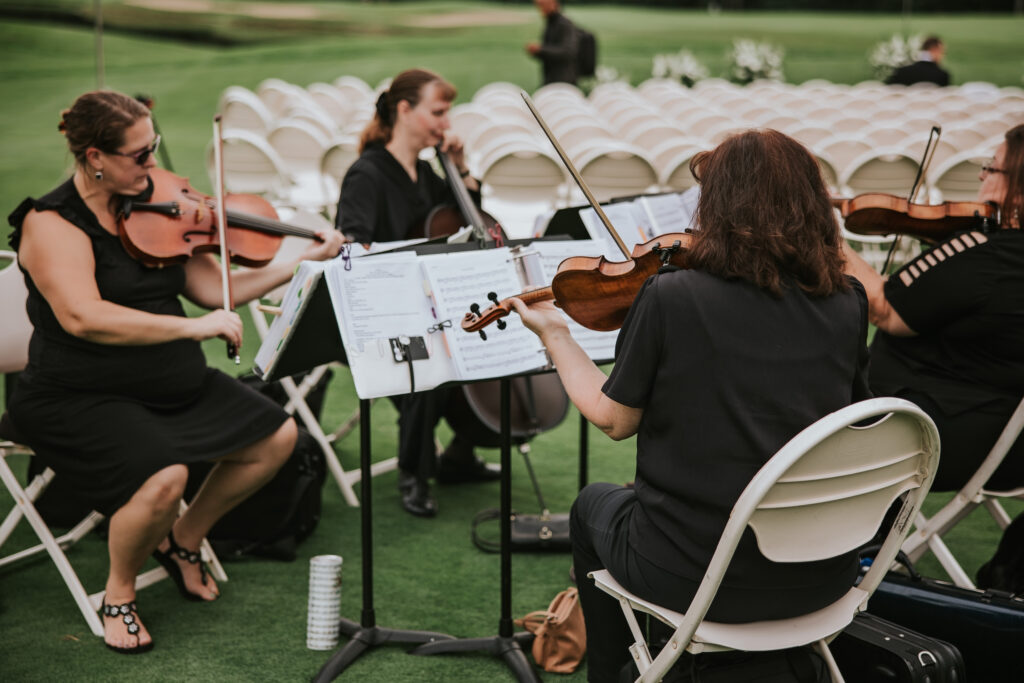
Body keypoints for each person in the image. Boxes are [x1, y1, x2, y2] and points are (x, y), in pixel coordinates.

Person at [510, 129, 871, 681]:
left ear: (718, 204)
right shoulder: (848, 302)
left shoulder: (673, 296)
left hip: (695, 577)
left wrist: (556, 336)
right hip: (823, 574)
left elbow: (614, 420)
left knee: (591, 506)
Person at [5, 90, 346, 654]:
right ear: (95, 157)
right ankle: (119, 593)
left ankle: (184, 541)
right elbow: (83, 317)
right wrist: (192, 329)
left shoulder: (158, 201)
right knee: (164, 479)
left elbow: (215, 291)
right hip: (78, 394)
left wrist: (298, 265)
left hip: (169, 384)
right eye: (139, 155)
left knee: (278, 436)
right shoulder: (51, 223)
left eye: (153, 146)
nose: (153, 165)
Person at [843, 124, 1024, 593]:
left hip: (931, 444)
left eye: (992, 170)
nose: (982, 181)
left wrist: (828, 240)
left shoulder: (989, 257)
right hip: (1012, 448)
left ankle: (854, 549)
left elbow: (887, 309)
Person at [335, 69, 500, 519]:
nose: (446, 123)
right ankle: (414, 471)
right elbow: (351, 252)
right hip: (382, 312)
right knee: (428, 359)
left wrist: (461, 166)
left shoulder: (427, 172)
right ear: (404, 111)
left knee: (491, 345)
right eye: (438, 112)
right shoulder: (366, 175)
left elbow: (471, 220)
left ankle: (461, 453)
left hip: (430, 306)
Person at [525, 0, 579, 86]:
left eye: (543, 5)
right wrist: (537, 52)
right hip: (550, 78)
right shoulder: (551, 22)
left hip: (564, 80)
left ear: (554, 4)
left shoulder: (564, 24)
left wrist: (540, 50)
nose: (540, 9)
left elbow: (568, 51)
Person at [886, 35, 951, 87]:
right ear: (935, 50)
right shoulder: (942, 76)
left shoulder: (902, 72)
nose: (942, 56)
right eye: (942, 53)